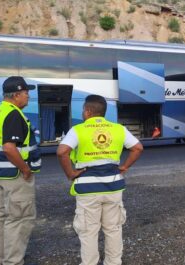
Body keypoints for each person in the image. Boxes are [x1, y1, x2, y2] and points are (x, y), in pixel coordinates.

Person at [57, 94, 143, 265]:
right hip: (113, 186)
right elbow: (137, 148)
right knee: (113, 229)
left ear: (88, 111)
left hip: (88, 189)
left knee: (89, 231)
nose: (82, 113)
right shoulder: (118, 129)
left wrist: (71, 173)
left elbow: (62, 152)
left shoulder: (78, 130)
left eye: (83, 110)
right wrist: (124, 167)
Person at [0, 76, 41, 265]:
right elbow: (9, 148)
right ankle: (13, 262)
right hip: (15, 176)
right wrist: (25, 169)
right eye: (26, 94)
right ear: (16, 95)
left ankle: (0, 260)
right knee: (19, 219)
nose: (28, 97)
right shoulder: (13, 114)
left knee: (0, 219)